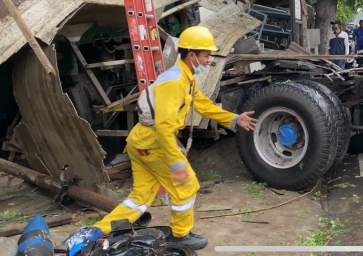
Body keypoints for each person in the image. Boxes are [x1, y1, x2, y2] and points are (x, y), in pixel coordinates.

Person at [92, 26, 258, 250]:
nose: (209, 60)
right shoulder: (174, 82)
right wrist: (176, 162)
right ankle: (180, 236)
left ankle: (96, 233)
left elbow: (202, 105)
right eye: (206, 55)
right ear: (192, 56)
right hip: (154, 143)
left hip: (142, 142)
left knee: (139, 198)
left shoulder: (185, 78)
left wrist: (234, 119)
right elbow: (163, 127)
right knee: (187, 186)